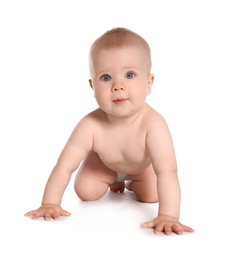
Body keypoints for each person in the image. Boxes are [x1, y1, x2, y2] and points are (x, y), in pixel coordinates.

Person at [25, 27, 194, 235]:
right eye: (106, 78)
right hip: (104, 165)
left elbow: (167, 171)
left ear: (149, 83)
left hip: (142, 168)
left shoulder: (154, 124)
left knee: (151, 194)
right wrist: (49, 203)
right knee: (86, 191)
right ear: (92, 87)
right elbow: (64, 166)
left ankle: (132, 183)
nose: (118, 86)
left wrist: (169, 216)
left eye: (130, 74)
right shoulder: (90, 125)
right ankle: (113, 180)